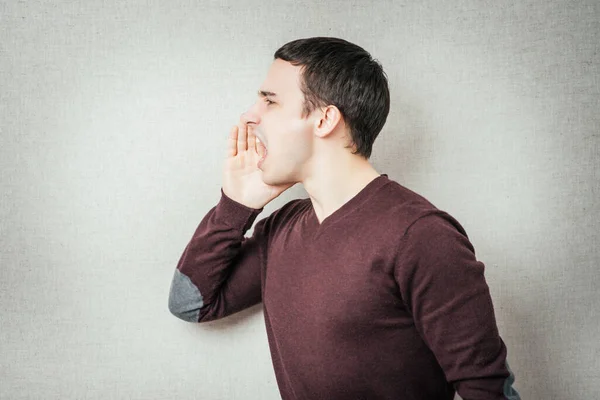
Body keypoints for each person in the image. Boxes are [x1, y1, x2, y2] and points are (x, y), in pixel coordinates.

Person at [168, 37, 522, 400]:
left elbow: (489, 389)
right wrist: (235, 206)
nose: (249, 116)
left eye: (270, 101)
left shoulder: (421, 236)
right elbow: (191, 303)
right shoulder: (281, 228)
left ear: (325, 119)